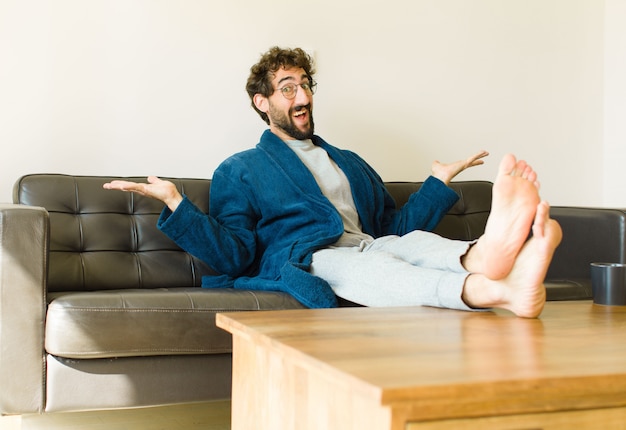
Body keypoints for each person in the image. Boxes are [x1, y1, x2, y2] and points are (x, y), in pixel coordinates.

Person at [104, 46, 562, 318]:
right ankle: (489, 289)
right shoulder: (239, 169)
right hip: (310, 258)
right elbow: (236, 253)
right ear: (263, 102)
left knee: (418, 244)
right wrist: (177, 204)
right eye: (288, 88)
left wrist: (437, 182)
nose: (302, 97)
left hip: (369, 242)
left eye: (305, 85)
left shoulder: (349, 161)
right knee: (367, 270)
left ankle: (486, 255)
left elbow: (393, 226)